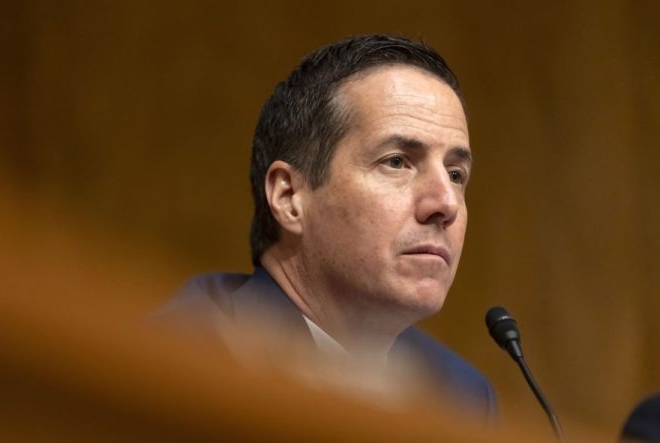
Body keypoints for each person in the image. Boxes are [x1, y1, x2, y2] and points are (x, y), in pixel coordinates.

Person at [160, 34, 495, 420]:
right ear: (289, 198)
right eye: (397, 162)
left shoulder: (461, 396)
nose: (446, 204)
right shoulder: (191, 352)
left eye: (455, 174)